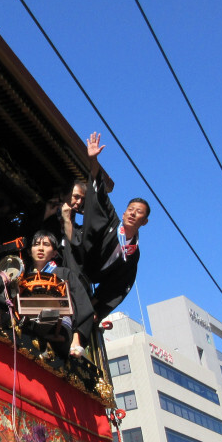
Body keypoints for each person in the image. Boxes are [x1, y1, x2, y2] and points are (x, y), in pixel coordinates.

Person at [76, 132, 150, 323]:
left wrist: (97, 306)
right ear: (124, 213)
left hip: (94, 282)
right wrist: (93, 161)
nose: (133, 213)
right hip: (78, 261)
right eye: (130, 209)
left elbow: (119, 285)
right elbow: (99, 192)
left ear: (145, 221)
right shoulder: (112, 221)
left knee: (122, 281)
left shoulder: (133, 253)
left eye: (139, 212)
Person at [22, 230, 93, 357]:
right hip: (29, 329)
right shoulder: (23, 277)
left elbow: (83, 305)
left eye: (46, 245)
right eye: (37, 244)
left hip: (60, 331)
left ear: (54, 253)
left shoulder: (65, 273)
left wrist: (77, 339)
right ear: (29, 251)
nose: (41, 248)